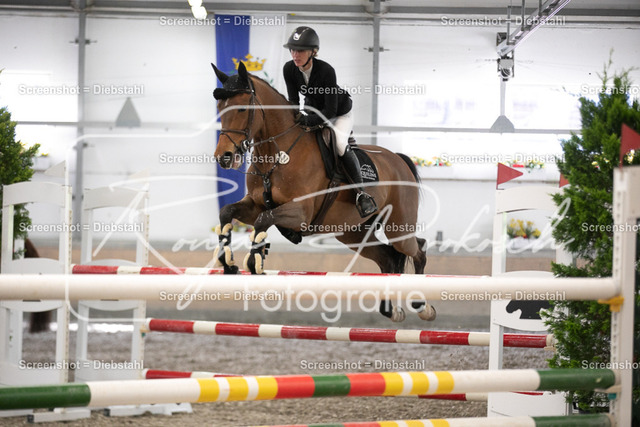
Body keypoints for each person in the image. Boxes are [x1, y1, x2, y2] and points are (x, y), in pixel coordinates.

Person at [282, 26, 377, 218]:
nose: (295, 55)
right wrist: (293, 118)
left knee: (340, 144)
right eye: (292, 50)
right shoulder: (289, 69)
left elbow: (330, 111)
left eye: (300, 50)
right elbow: (293, 100)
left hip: (339, 113)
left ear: (313, 52)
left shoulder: (326, 71)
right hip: (313, 110)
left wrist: (307, 120)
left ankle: (361, 194)